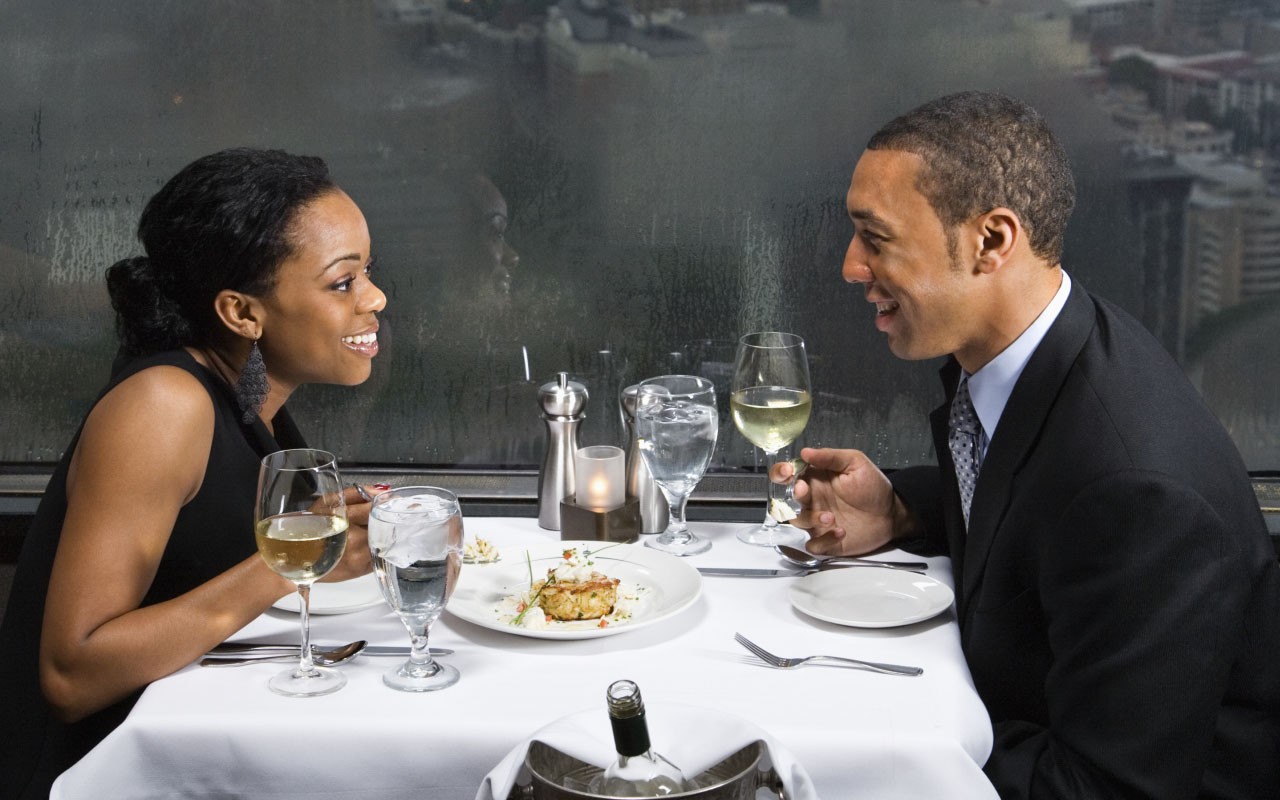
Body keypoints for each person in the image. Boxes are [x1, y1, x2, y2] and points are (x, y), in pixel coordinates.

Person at [775, 92, 1280, 797]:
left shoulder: (1138, 493)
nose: (851, 266)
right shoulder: (1042, 349)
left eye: (876, 237)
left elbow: (1102, 788)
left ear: (991, 241)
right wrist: (900, 509)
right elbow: (1038, 494)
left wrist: (888, 742)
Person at [0, 148, 387, 800]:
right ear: (242, 313)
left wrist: (337, 537)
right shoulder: (163, 406)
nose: (375, 297)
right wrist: (286, 562)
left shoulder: (254, 404)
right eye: (342, 282)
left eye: (368, 272)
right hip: (95, 776)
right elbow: (70, 677)